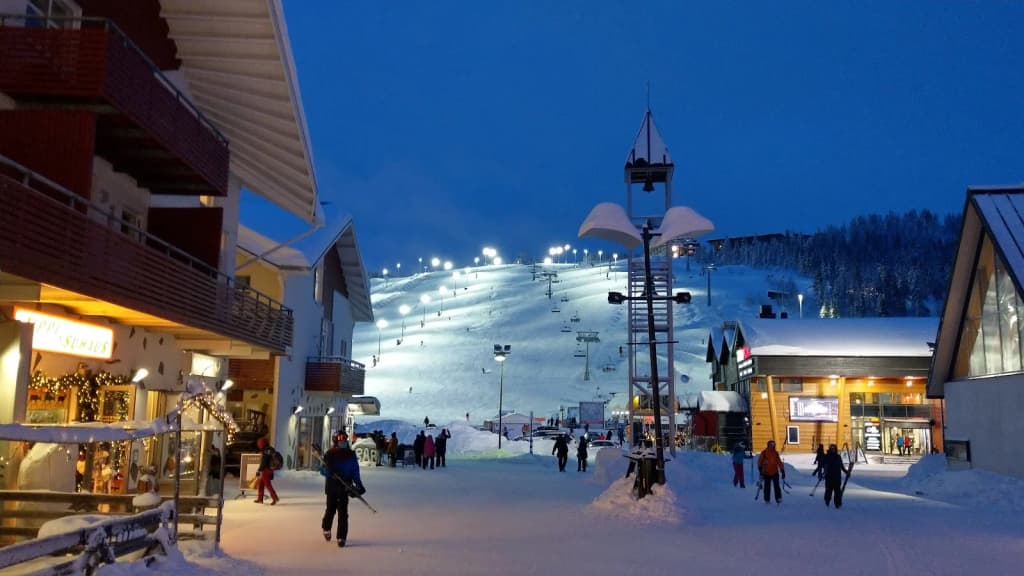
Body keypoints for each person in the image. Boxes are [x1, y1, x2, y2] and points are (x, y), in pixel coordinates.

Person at [320, 432, 366, 548]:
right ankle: (326, 528)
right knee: (330, 509)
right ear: (336, 441)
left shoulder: (351, 455)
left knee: (343, 513)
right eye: (340, 440)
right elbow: (322, 470)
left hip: (345, 487)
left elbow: (355, 471)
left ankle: (342, 537)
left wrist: (359, 485)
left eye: (345, 439)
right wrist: (329, 472)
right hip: (332, 487)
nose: (343, 442)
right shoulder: (329, 454)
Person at [756, 440, 785, 504]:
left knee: (776, 486)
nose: (772, 445)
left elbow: (779, 462)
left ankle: (778, 498)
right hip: (766, 473)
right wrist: (760, 469)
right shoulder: (764, 453)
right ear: (768, 445)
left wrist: (782, 470)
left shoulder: (775, 453)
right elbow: (759, 462)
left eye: (773, 444)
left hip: (775, 472)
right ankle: (767, 499)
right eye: (771, 444)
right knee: (767, 486)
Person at [822, 443, 849, 509]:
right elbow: (824, 465)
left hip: (837, 477)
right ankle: (827, 501)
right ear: (830, 449)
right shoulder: (827, 456)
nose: (833, 450)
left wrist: (846, 472)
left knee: (837, 491)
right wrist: (823, 473)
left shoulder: (838, 457)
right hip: (829, 477)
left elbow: (841, 466)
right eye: (831, 448)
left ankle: (838, 504)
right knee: (828, 490)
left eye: (834, 448)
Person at [254, 437, 279, 505]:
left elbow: (264, 462)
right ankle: (260, 499)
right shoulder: (270, 449)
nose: (258, 445)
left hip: (266, 470)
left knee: (268, 485)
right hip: (270, 469)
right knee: (261, 484)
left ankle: (275, 498)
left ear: (261, 444)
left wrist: (259, 470)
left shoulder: (265, 450)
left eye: (259, 443)